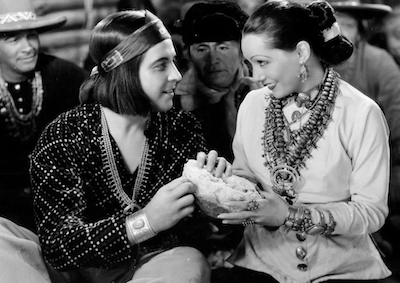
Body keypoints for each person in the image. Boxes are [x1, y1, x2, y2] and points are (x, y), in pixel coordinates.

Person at [30, 9, 231, 283]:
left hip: (153, 269)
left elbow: (194, 229)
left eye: (174, 61)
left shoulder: (181, 128)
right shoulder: (65, 135)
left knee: (190, 263)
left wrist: (216, 194)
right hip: (72, 275)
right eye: (160, 65)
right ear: (125, 71)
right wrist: (146, 221)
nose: (177, 75)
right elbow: (58, 245)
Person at [214, 0, 392, 282]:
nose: (255, 76)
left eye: (262, 62)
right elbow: (245, 176)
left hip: (342, 268)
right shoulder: (253, 104)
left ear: (301, 52)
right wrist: (221, 185)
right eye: (250, 64)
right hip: (261, 262)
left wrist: (289, 215)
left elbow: (371, 212)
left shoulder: (361, 112)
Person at [0, 0, 88, 231]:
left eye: (31, 36)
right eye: (13, 39)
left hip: (61, 203)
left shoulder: (63, 74)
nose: (28, 47)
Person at [175, 0, 256, 163]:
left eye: (223, 48)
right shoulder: (174, 106)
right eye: (202, 49)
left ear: (243, 51)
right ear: (188, 54)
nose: (213, 60)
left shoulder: (267, 91)